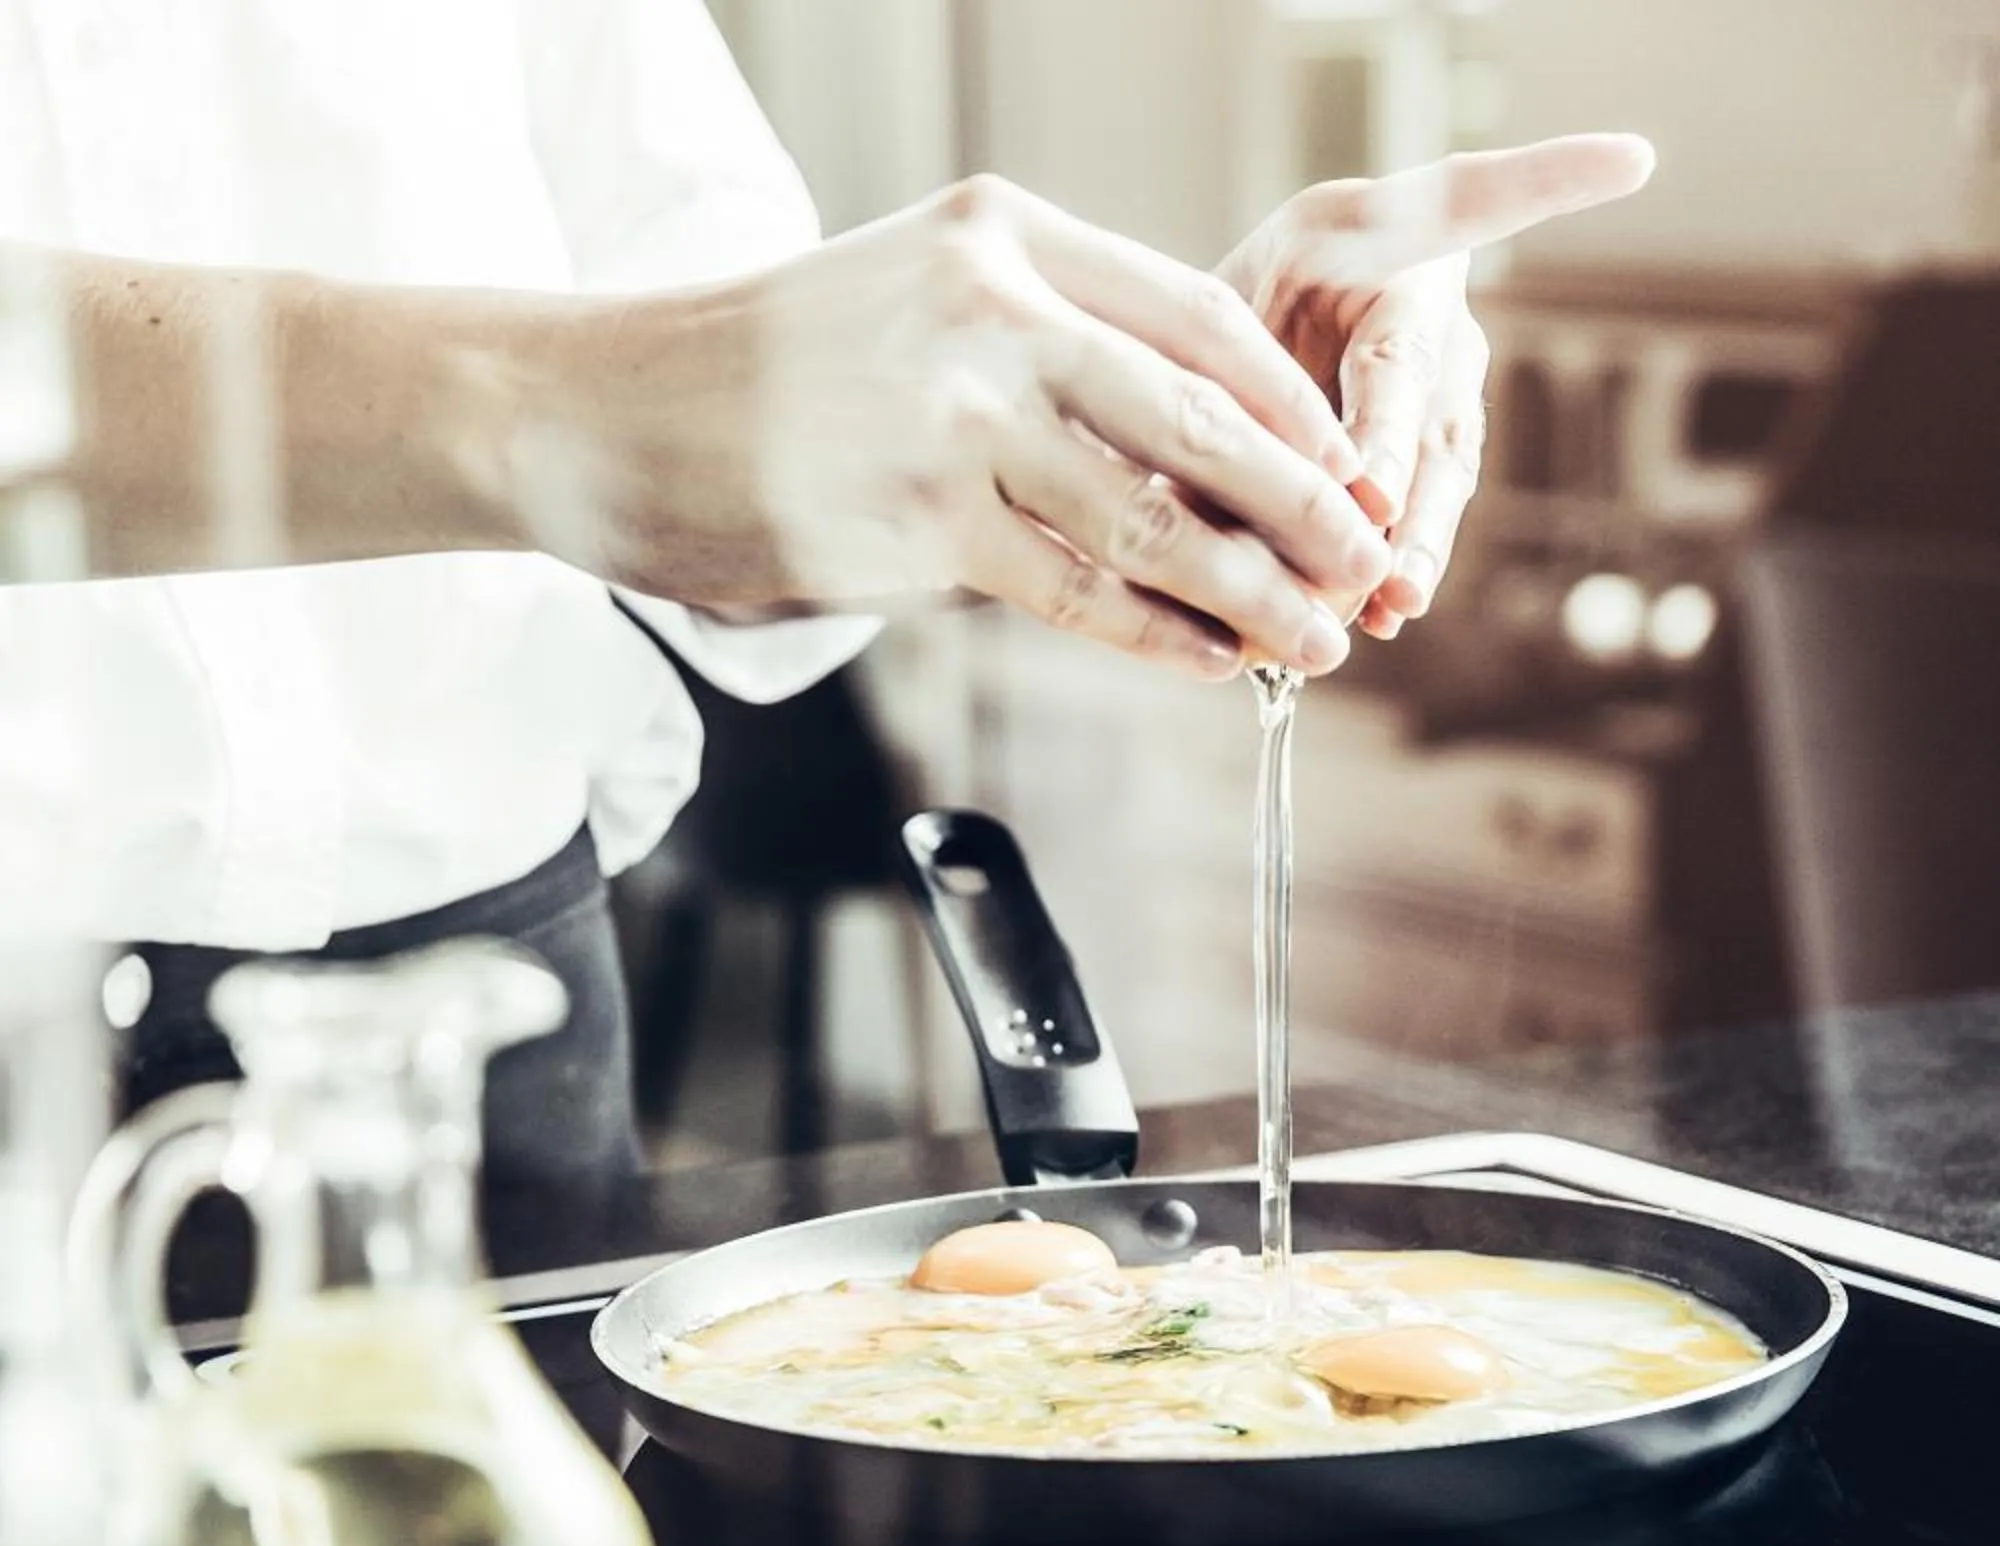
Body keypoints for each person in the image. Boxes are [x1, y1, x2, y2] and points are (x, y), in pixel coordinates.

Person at [0, 0, 1651, 1179]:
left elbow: (716, 414)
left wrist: (1115, 419)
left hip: (494, 1054)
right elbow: (620, 404)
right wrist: (557, 416)